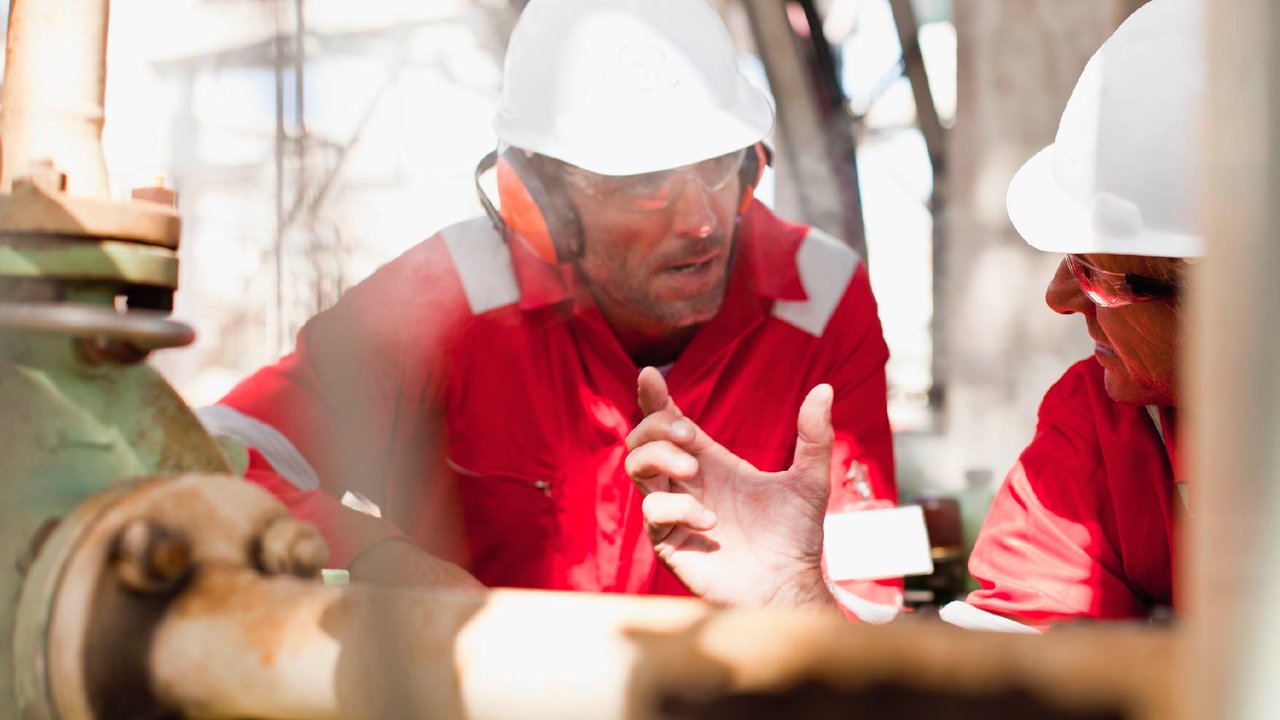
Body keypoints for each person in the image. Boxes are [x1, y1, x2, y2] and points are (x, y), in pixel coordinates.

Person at [198, 0, 901, 614]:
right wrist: (373, 556)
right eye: (644, 181)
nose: (702, 222)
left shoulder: (822, 296)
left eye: (718, 164)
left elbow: (871, 608)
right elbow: (209, 455)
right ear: (539, 202)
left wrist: (796, 598)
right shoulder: (443, 300)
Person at [624, 0, 1200, 629]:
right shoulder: (1105, 427)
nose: (1060, 297)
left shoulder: (817, 291)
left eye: (1099, 276)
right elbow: (1004, 682)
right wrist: (796, 600)